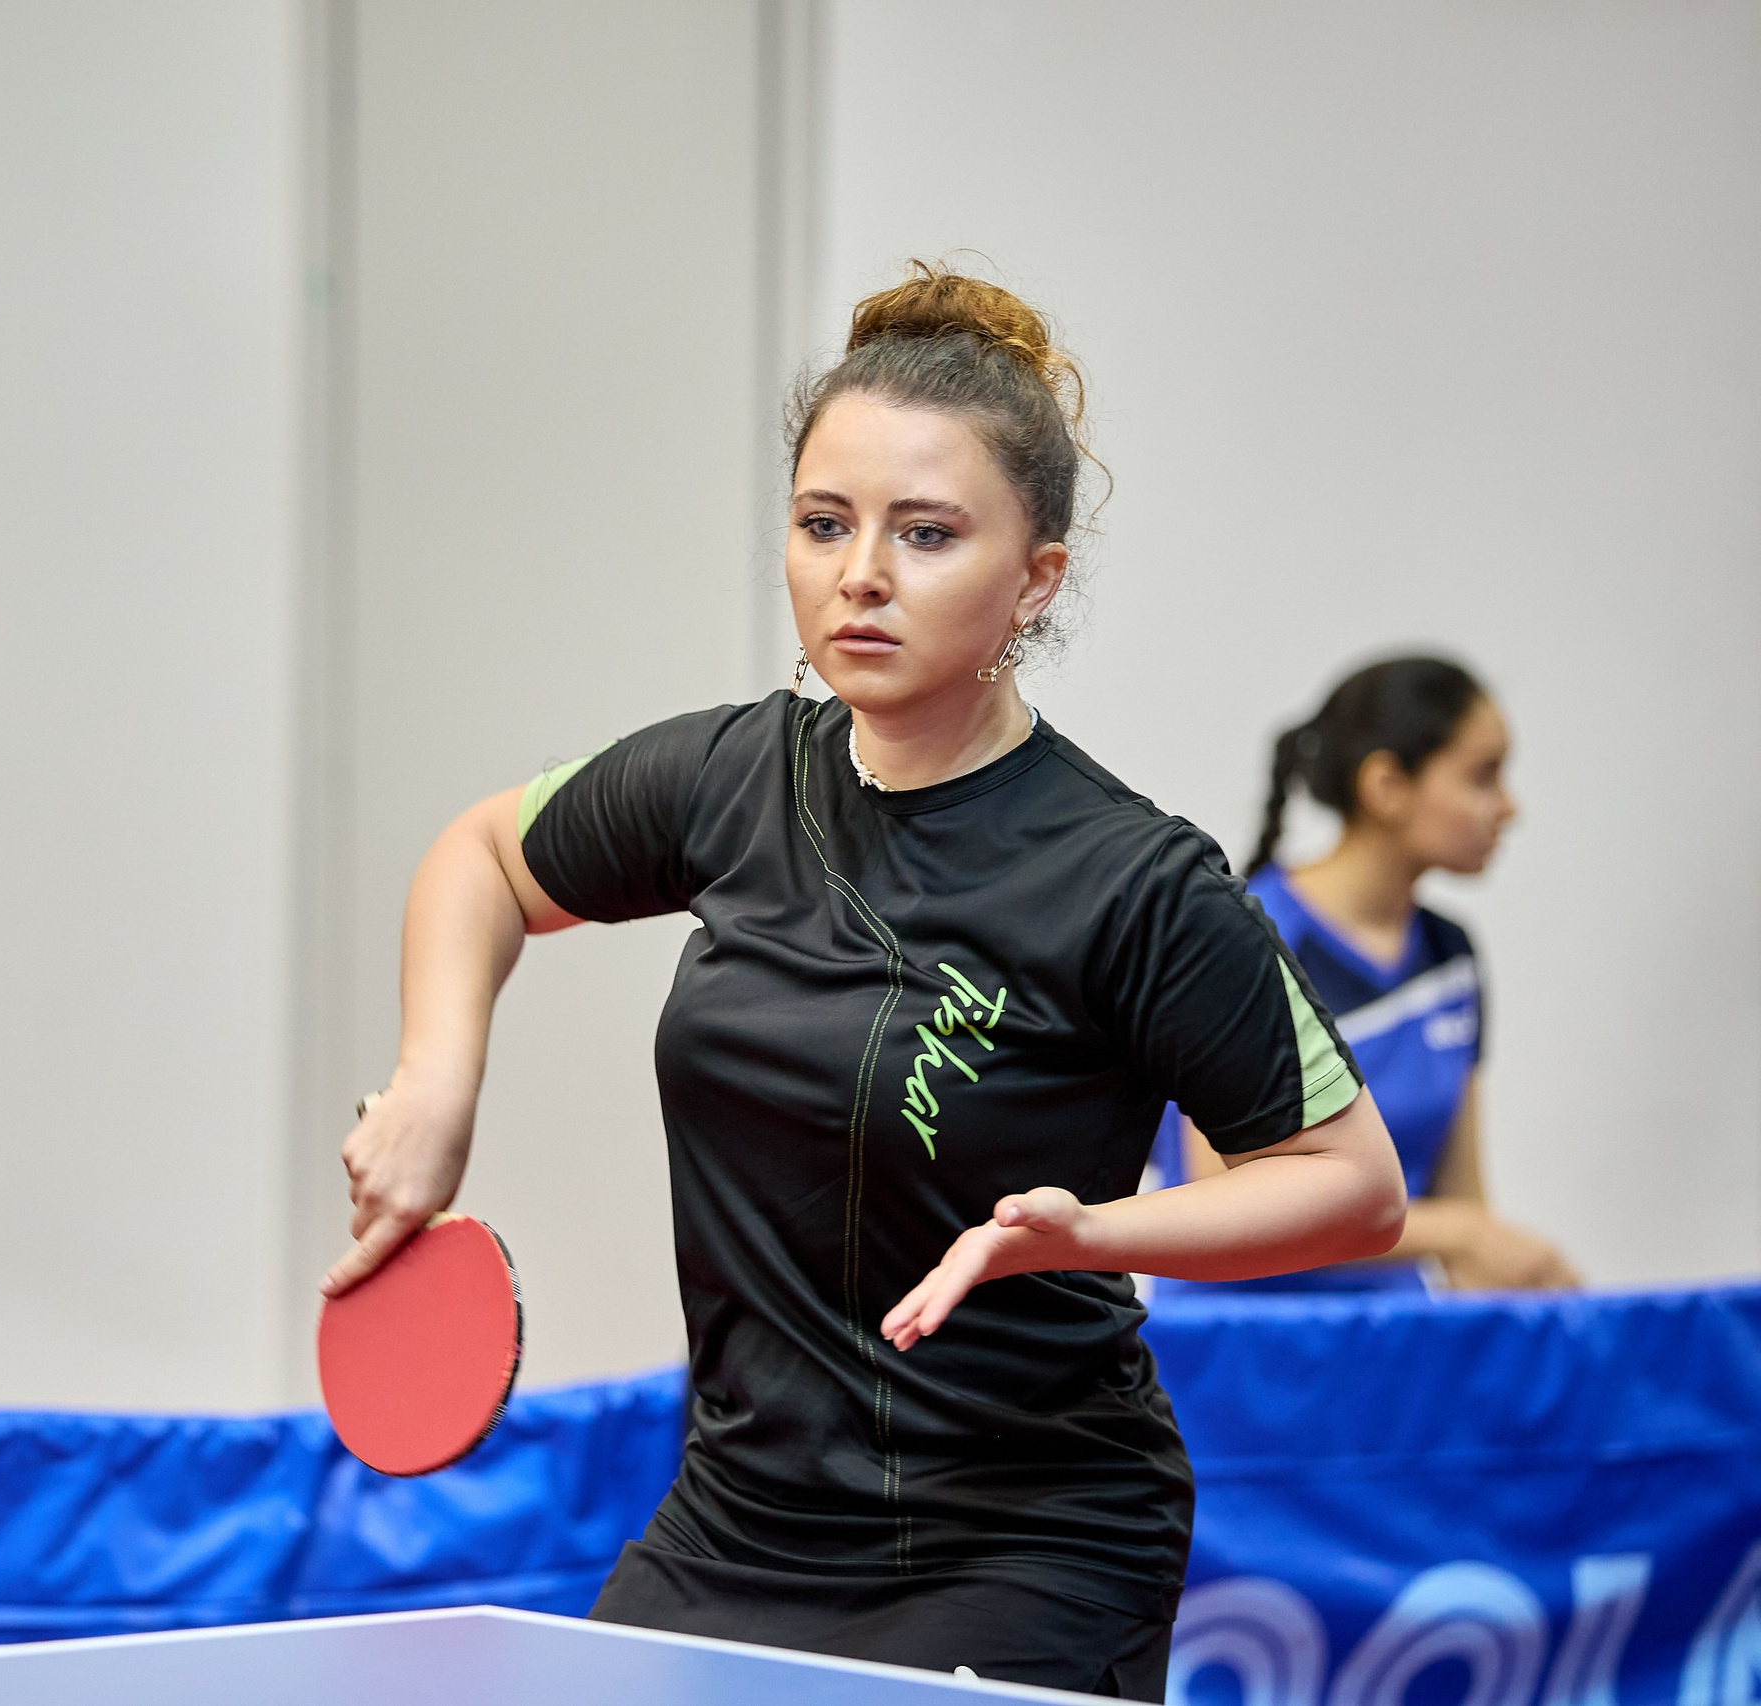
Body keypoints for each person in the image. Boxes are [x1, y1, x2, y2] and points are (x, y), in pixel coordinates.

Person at [318, 263, 1406, 1697]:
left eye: (927, 533)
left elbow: (1354, 1183)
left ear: (1036, 579)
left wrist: (1090, 1233)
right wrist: (435, 1082)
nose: (862, 573)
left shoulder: (1136, 879)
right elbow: (480, 858)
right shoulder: (731, 781)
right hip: (738, 1519)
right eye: (824, 523)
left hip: (1027, 1533)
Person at [1158, 659, 1577, 1292]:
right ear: (1385, 785)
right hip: (1243, 1356)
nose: (1509, 807)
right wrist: (1459, 1234)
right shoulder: (1242, 940)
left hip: (1393, 1345)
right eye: (1483, 775)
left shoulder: (1449, 955)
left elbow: (1464, 1201)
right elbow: (1211, 1194)